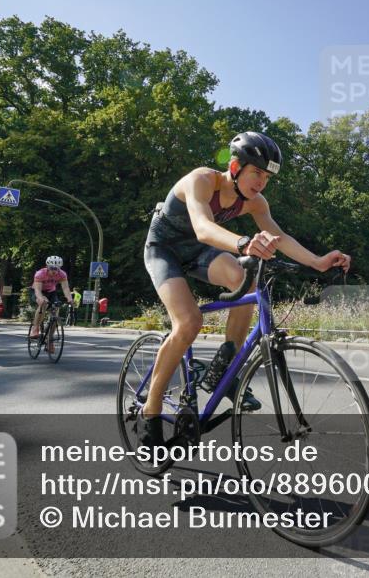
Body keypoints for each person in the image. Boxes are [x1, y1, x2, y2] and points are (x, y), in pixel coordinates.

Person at [139, 131, 351, 448]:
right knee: (189, 322)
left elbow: (280, 237)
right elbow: (202, 227)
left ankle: (223, 369)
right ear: (236, 166)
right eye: (256, 173)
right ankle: (150, 410)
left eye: (267, 177)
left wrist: (318, 262)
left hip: (197, 253)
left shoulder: (255, 202)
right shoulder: (202, 180)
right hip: (163, 249)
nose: (261, 182)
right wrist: (243, 243)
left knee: (246, 280)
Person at [30, 256, 73, 349]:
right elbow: (38, 290)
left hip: (51, 292)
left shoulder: (62, 274)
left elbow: (65, 288)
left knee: (56, 311)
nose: (54, 271)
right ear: (47, 266)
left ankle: (49, 340)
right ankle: (35, 328)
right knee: (44, 303)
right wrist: (40, 298)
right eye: (52, 268)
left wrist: (70, 299)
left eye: (56, 269)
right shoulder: (40, 273)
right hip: (38, 291)